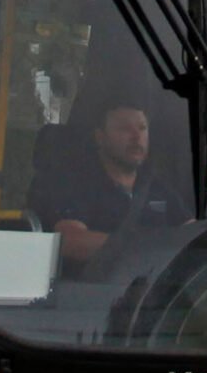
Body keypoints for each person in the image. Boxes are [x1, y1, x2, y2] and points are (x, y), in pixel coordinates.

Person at [28, 102, 177, 274]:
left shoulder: (156, 186)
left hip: (160, 294)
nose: (137, 136)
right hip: (94, 295)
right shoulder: (76, 183)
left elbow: (192, 231)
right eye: (125, 129)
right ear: (100, 137)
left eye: (142, 128)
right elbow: (70, 242)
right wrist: (144, 247)